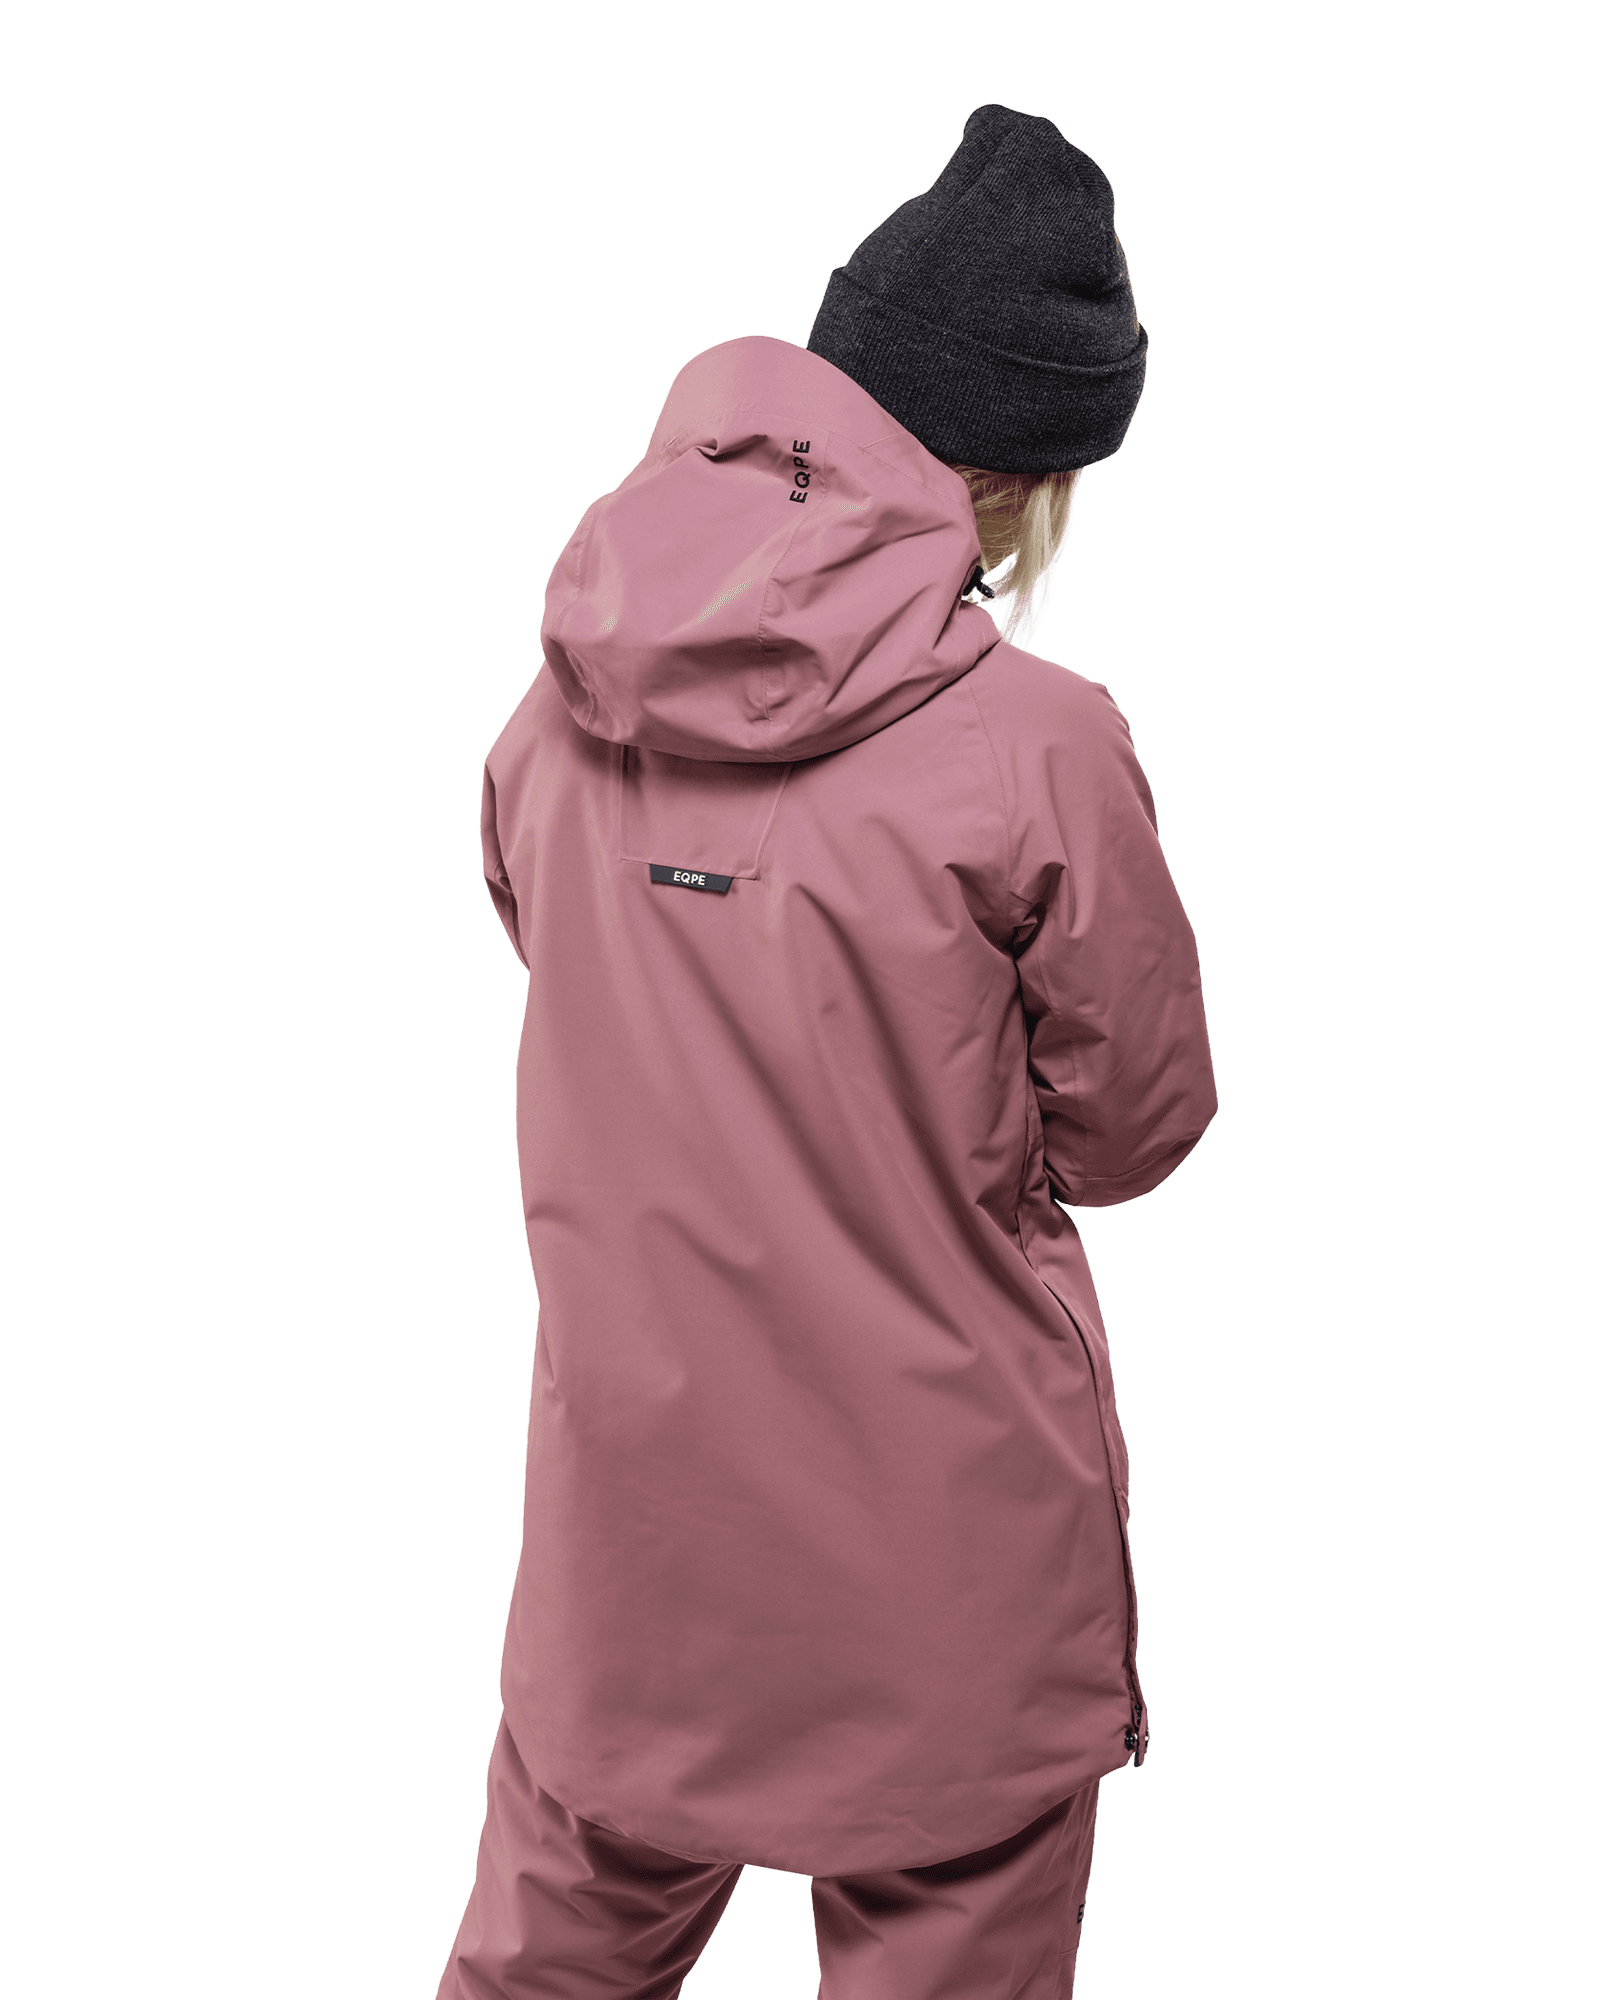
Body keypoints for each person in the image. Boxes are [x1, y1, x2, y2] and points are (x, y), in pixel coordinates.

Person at [437, 103, 1217, 2000]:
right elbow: (1135, 1128)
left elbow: (572, 961)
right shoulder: (1042, 740)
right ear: (1032, 478)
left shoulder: (564, 698)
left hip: (628, 1559)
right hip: (942, 1575)